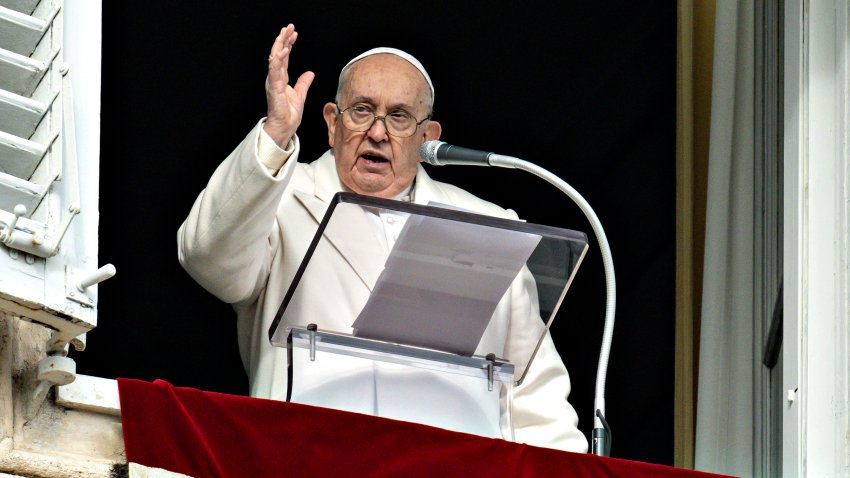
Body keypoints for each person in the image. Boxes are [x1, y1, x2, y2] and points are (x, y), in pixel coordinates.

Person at [178, 24, 587, 453]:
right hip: (310, 457)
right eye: (361, 110)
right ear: (332, 123)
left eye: (399, 117)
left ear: (428, 137)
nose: (377, 132)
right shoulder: (279, 197)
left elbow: (536, 399)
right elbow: (207, 258)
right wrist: (276, 134)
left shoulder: (485, 223)